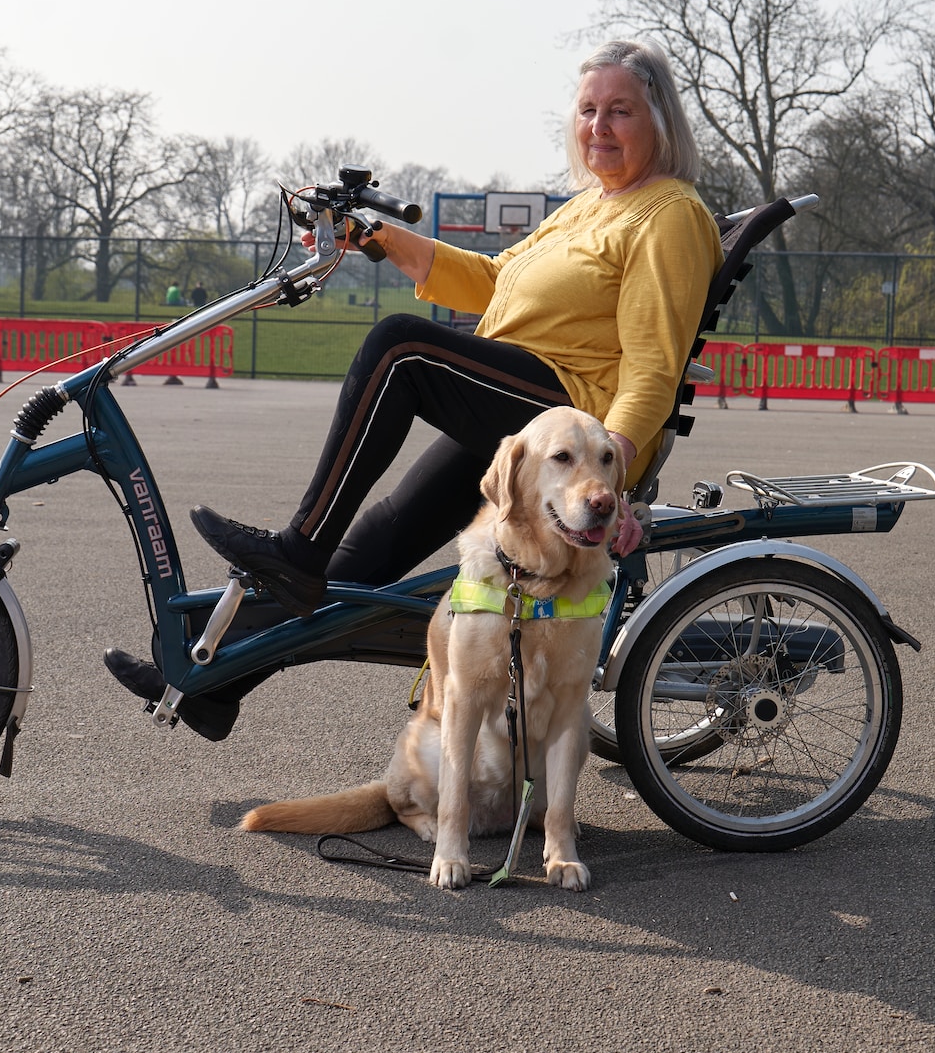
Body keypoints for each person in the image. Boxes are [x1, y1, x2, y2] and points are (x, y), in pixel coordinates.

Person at [105, 39, 722, 723]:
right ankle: (210, 686)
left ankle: (297, 549)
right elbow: (491, 282)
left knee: (402, 348)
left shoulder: (669, 214)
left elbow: (653, 367)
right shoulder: (586, 208)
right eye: (587, 110)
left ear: (658, 122)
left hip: (571, 424)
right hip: (516, 416)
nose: (599, 127)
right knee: (376, 544)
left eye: (620, 112)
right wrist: (378, 237)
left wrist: (612, 472)